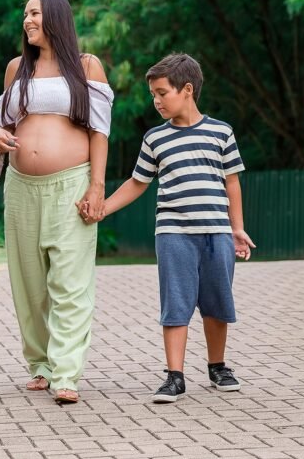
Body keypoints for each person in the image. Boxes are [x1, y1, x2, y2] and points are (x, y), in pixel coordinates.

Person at [90, 53, 255, 403]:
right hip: (173, 234)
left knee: (216, 302)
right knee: (175, 303)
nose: (156, 100)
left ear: (187, 90)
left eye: (162, 92)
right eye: (153, 94)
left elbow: (232, 183)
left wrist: (236, 228)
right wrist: (104, 207)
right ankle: (175, 376)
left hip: (217, 234)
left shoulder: (221, 131)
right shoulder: (155, 139)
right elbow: (138, 182)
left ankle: (218, 366)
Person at [0, 0, 114, 404]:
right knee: (29, 284)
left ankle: (66, 373)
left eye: (36, 13)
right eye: (25, 13)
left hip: (72, 184)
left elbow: (100, 131)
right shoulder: (15, 69)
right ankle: (40, 364)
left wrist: (97, 187)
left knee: (69, 281)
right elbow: (2, 124)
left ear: (57, 18)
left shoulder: (87, 66)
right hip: (21, 186)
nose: (27, 20)